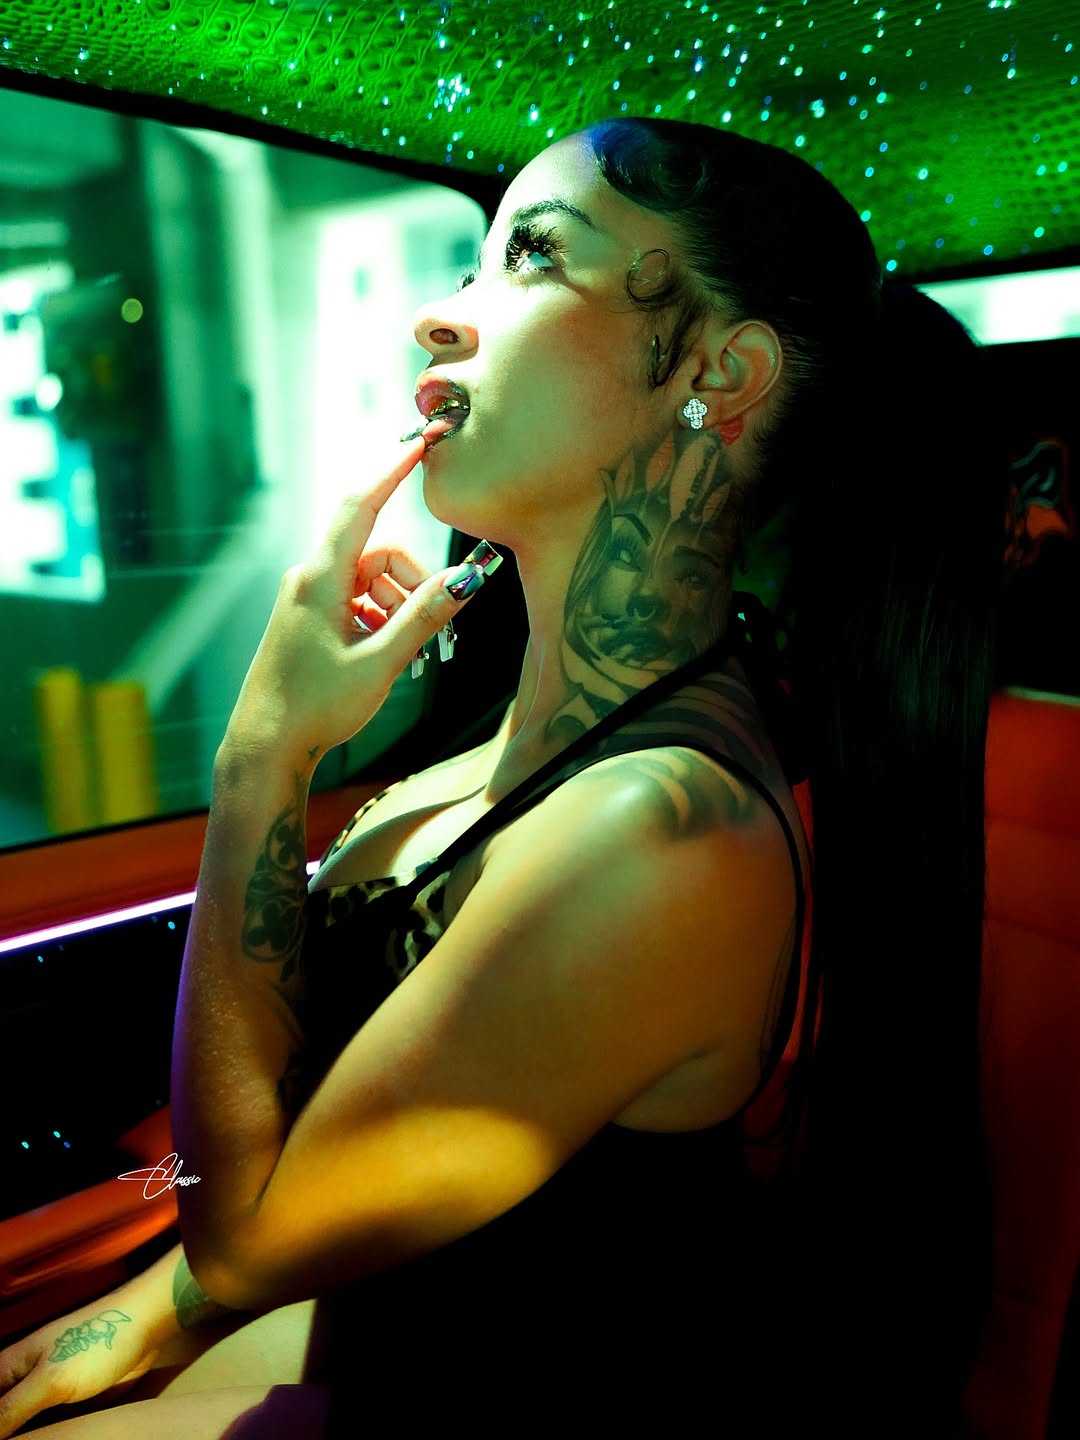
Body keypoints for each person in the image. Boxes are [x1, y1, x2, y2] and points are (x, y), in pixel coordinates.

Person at [0, 115, 1011, 1439]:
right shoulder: (518, 726)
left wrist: (265, 754)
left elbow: (245, 1238)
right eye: (473, 262)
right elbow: (330, 1157)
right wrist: (147, 1311)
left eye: (532, 257)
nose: (435, 317)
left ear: (719, 372)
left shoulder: (664, 829)